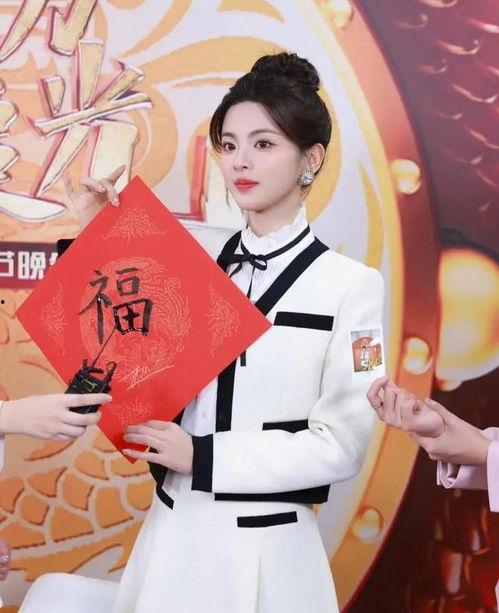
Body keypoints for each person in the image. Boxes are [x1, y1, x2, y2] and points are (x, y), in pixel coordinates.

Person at [20, 52, 384, 613]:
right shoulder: (193, 256)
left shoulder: (351, 286)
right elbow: (127, 344)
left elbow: (341, 446)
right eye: (229, 145)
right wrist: (95, 230)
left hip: (267, 550)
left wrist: (204, 455)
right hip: (171, 535)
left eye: (264, 144)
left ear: (310, 159)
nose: (241, 162)